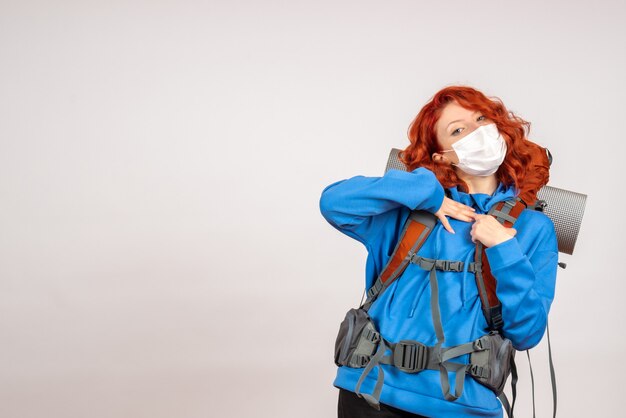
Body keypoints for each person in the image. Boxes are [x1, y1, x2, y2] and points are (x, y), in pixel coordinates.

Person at [319, 85, 558, 418]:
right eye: (458, 130)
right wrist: (424, 191)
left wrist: (504, 248)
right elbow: (334, 203)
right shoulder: (407, 212)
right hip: (371, 394)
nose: (479, 131)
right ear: (441, 155)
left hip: (465, 407)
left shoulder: (533, 228)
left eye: (482, 118)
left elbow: (527, 332)